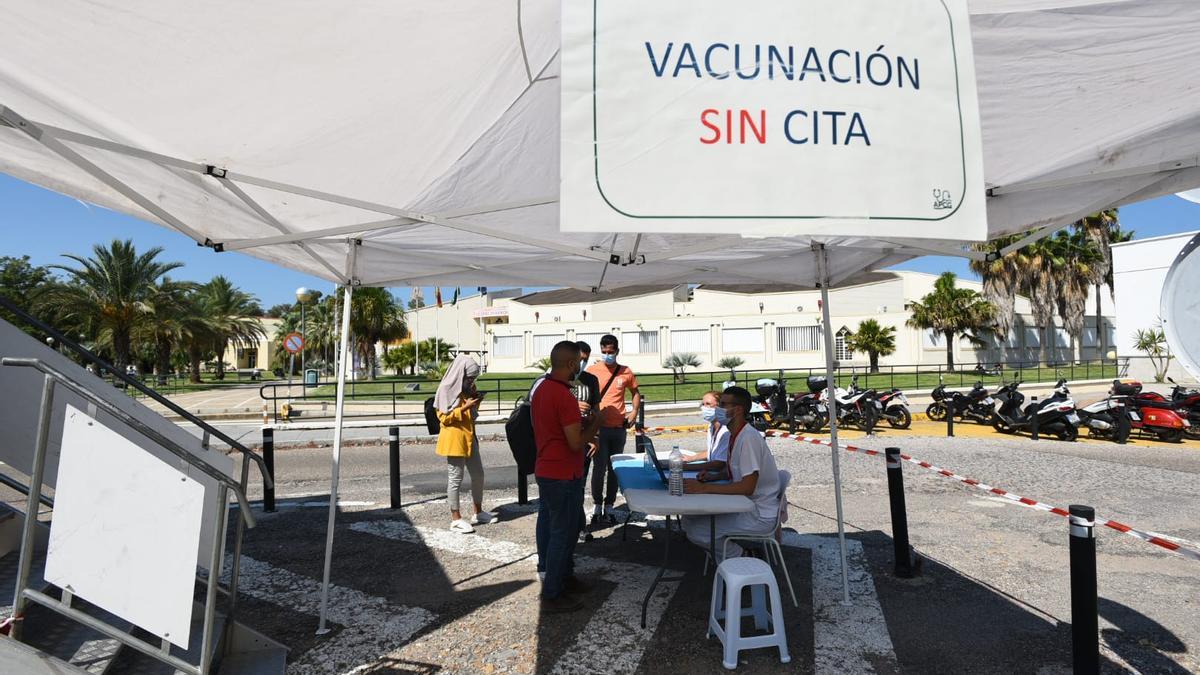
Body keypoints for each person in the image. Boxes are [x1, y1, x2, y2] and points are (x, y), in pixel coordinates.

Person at [534, 340, 602, 612]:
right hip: (562, 472)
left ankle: (564, 576)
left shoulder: (543, 388)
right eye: (579, 362)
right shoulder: (563, 395)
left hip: (553, 469)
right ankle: (553, 592)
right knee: (563, 531)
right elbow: (575, 443)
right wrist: (597, 423)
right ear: (572, 364)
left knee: (568, 525)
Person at [682, 386, 782, 562]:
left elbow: (748, 486)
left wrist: (704, 488)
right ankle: (725, 556)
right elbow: (734, 471)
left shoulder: (748, 438)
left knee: (697, 531)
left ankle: (741, 559)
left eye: (722, 404)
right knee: (690, 518)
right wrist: (714, 477)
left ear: (737, 410)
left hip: (757, 513)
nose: (717, 409)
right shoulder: (735, 434)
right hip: (744, 505)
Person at [585, 334, 641, 525]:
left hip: (619, 428)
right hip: (599, 429)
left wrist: (634, 412)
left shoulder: (626, 371)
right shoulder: (592, 371)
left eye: (611, 351)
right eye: (604, 352)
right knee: (599, 468)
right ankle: (597, 505)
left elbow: (635, 392)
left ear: (617, 350)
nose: (607, 355)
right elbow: (584, 395)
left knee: (614, 469)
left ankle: (610, 505)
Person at [434, 354, 491, 533]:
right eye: (469, 377)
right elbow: (444, 419)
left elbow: (471, 414)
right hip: (454, 439)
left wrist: (476, 401)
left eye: (473, 378)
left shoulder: (467, 387)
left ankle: (478, 511)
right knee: (455, 479)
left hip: (469, 437)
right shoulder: (445, 389)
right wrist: (464, 408)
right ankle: (456, 518)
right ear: (461, 373)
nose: (472, 380)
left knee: (478, 474)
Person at [682, 390, 731, 480]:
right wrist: (690, 458)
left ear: (720, 407)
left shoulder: (726, 431)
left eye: (708, 404)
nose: (704, 408)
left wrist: (686, 467)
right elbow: (713, 453)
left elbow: (719, 463)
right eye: (703, 404)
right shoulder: (711, 426)